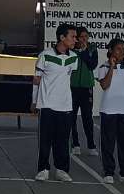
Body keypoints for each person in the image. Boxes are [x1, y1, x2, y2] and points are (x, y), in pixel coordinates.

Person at [33, 23, 79, 182]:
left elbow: (68, 78)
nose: (75, 39)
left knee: (63, 140)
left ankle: (62, 170)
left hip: (65, 106)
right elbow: (36, 80)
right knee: (45, 139)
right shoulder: (44, 55)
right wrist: (34, 101)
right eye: (72, 36)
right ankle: (43, 169)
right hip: (46, 105)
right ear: (62, 37)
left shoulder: (74, 58)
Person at [94, 38, 124, 185]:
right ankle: (108, 172)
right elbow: (105, 85)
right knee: (108, 142)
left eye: (123, 49)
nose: (121, 52)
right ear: (111, 51)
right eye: (118, 49)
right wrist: (112, 67)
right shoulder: (103, 67)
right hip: (108, 110)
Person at [69, 26, 98, 157]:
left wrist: (85, 51)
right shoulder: (71, 49)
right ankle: (75, 144)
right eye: (81, 36)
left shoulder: (92, 49)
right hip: (73, 87)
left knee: (87, 117)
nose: (84, 39)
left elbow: (92, 65)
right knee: (72, 117)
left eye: (86, 36)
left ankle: (91, 145)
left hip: (87, 87)